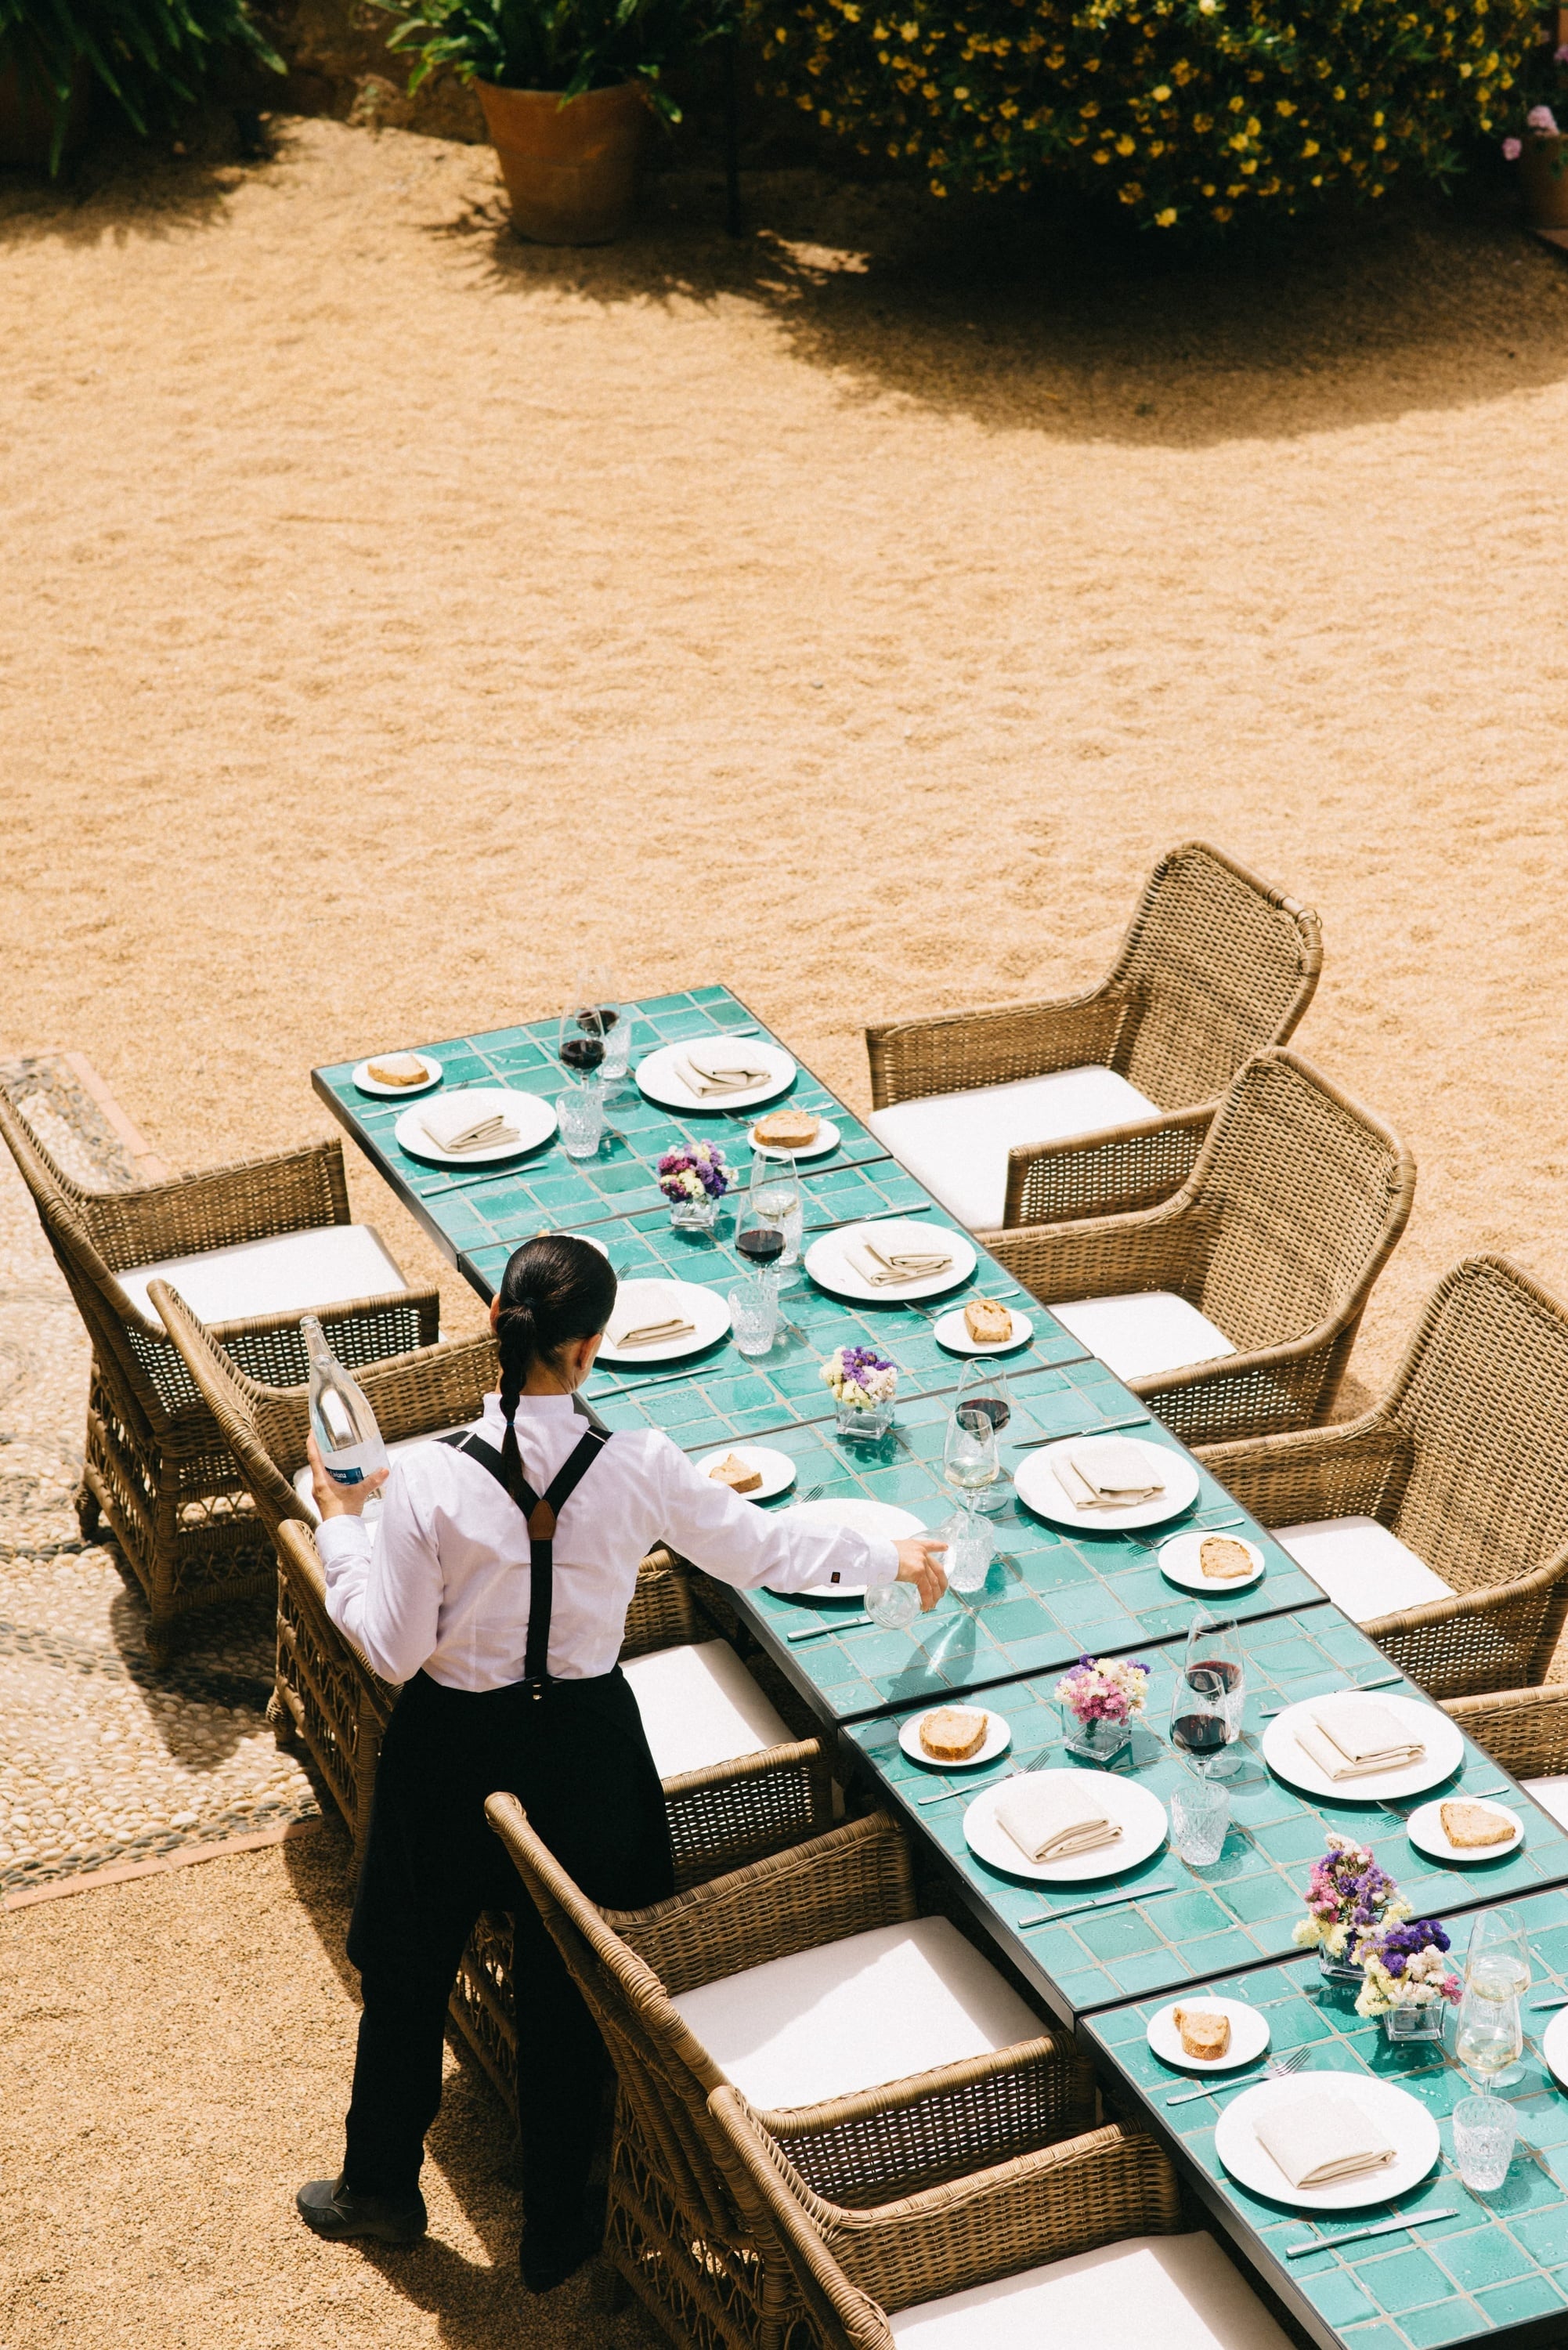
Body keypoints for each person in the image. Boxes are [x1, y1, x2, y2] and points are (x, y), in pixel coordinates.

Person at [295, 1232, 948, 2290]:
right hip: (586, 1751)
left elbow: (388, 1647)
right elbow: (768, 1553)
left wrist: (341, 1528)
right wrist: (887, 1553)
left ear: (500, 1322)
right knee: (572, 1993)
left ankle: (379, 2189)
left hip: (450, 1749)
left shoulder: (420, 1482)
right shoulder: (640, 1467)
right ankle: (560, 2232)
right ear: (590, 1348)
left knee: (408, 1976)